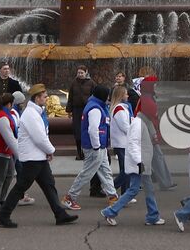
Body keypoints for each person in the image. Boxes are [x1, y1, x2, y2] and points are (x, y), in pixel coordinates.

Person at [0, 84, 78, 228]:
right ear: (37, 98)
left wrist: (47, 151)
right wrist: (51, 150)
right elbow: (39, 138)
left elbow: (40, 137)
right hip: (32, 159)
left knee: (49, 185)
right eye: (45, 97)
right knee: (21, 187)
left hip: (37, 157)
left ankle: (60, 215)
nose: (47, 99)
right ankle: (3, 216)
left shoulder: (34, 112)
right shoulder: (31, 114)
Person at [100, 84, 164, 226]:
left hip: (140, 162)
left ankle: (152, 215)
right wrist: (139, 162)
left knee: (141, 189)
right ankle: (110, 211)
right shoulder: (137, 122)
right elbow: (133, 143)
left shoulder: (140, 121)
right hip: (139, 163)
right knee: (134, 190)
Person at [64, 83, 118, 209]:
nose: (109, 98)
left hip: (99, 146)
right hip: (95, 147)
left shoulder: (95, 106)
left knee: (106, 171)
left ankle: (113, 196)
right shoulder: (95, 109)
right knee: (87, 173)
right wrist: (97, 146)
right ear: (103, 96)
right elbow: (93, 130)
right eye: (108, 96)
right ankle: (70, 197)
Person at [67, 66, 93, 161]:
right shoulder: (74, 82)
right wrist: (69, 110)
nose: (80, 74)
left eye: (82, 73)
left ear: (86, 73)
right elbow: (70, 97)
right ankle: (79, 152)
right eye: (79, 73)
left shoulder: (91, 83)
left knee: (87, 130)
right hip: (76, 110)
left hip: (87, 110)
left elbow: (94, 95)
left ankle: (87, 152)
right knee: (77, 131)